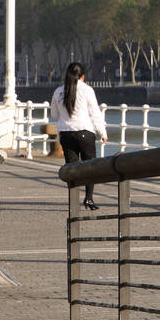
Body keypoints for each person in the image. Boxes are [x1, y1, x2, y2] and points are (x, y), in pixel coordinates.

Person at [52, 62, 108, 211]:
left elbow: (54, 114)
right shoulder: (87, 90)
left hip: (65, 133)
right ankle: (88, 198)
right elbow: (95, 113)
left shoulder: (58, 92)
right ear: (82, 76)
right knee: (90, 166)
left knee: (72, 168)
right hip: (85, 132)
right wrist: (103, 133)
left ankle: (73, 201)